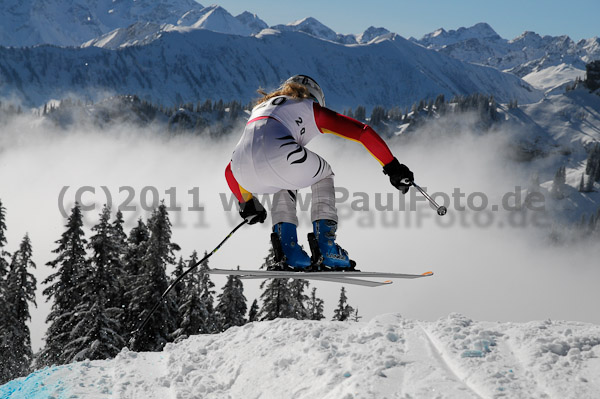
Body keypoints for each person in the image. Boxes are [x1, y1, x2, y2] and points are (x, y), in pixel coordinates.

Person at [225, 75, 414, 271]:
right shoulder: (309, 107)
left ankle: (288, 250)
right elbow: (362, 132)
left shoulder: (261, 108)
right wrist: (393, 167)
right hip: (279, 156)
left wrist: (246, 202)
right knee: (324, 174)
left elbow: (229, 170)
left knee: (286, 180)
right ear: (313, 97)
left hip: (241, 171)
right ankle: (327, 248)